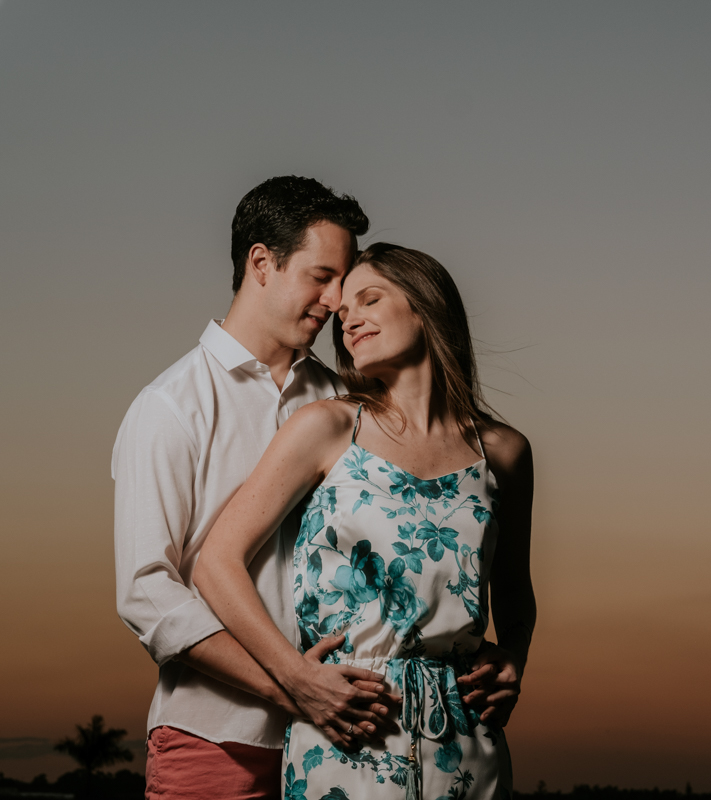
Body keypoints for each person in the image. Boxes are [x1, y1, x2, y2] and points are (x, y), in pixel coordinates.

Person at [195, 243, 537, 800]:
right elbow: (216, 562)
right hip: (348, 725)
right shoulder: (328, 428)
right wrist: (295, 676)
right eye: (342, 311)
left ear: (426, 307)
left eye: (368, 300)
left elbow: (516, 594)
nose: (347, 317)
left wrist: (514, 658)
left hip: (470, 740)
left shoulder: (503, 450)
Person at [114, 176, 400, 800]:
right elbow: (146, 593)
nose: (335, 301)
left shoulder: (346, 403)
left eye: (344, 284)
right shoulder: (169, 406)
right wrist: (289, 683)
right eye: (321, 276)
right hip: (213, 739)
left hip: (346, 741)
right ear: (261, 263)